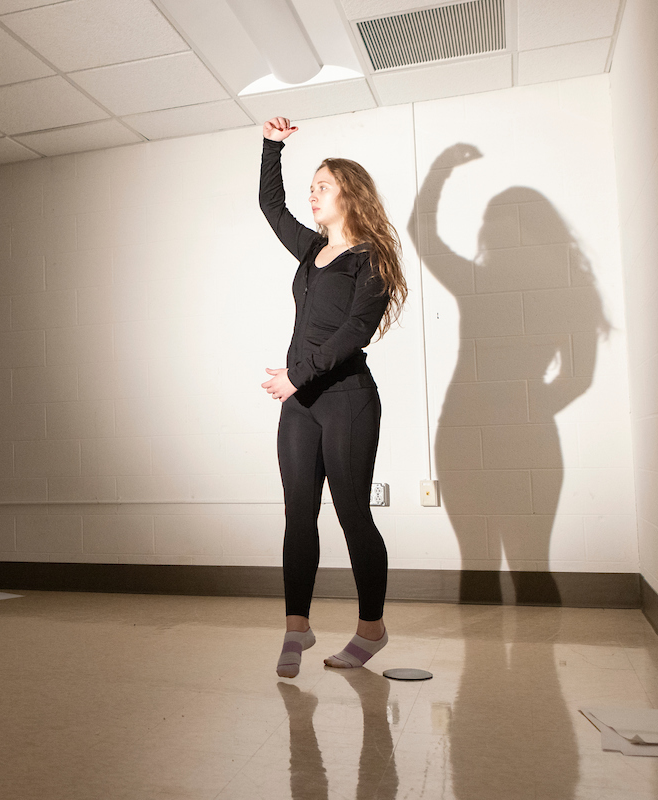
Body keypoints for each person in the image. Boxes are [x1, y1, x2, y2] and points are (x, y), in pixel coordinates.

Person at [258, 117, 407, 678]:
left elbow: (353, 335)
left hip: (346, 399)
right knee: (299, 515)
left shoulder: (370, 260)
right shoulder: (310, 250)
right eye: (312, 185)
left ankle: (372, 629)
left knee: (352, 515)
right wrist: (273, 148)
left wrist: (297, 375)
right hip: (301, 407)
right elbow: (271, 205)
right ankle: (297, 626)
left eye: (322, 185)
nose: (311, 193)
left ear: (350, 194)